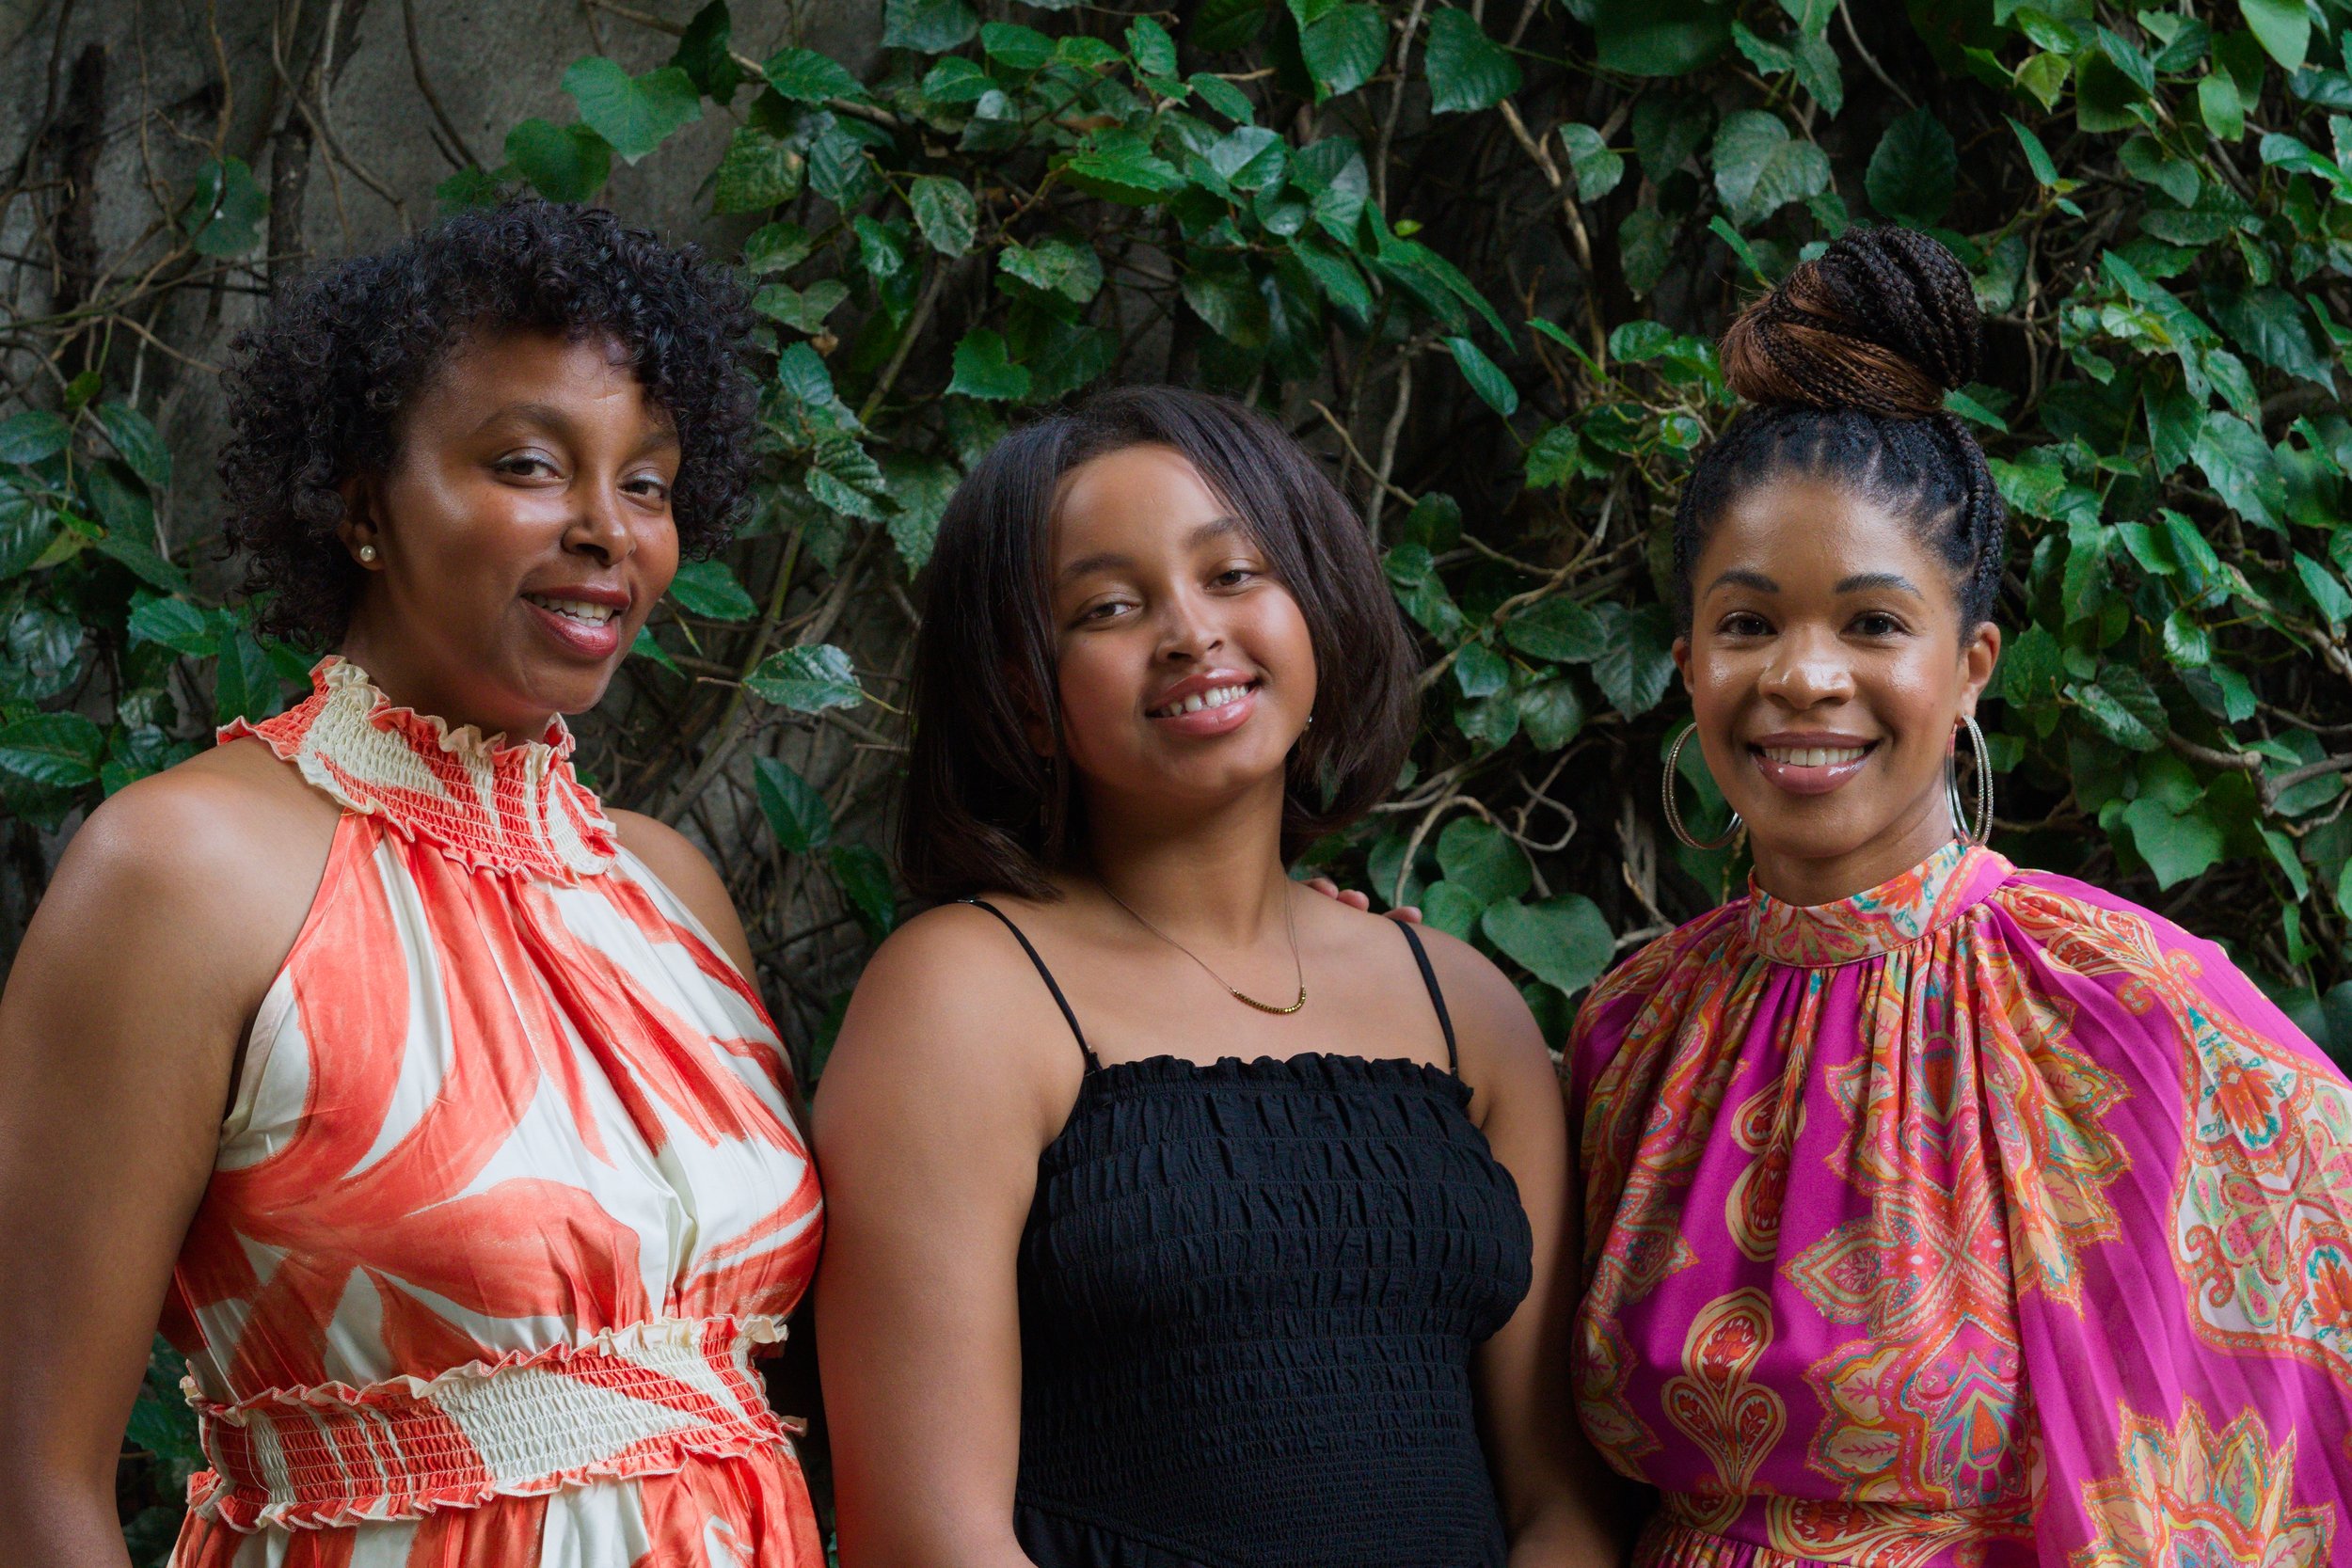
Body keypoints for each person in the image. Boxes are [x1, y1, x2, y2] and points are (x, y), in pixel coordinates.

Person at [0, 198, 825, 1567]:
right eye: (527, 464)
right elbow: (31, 1484)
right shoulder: (185, 871)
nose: (605, 528)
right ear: (360, 502)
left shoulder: (670, 889)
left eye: (648, 481)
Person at [1565, 225, 2352, 1565]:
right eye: (1748, 622)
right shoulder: (1634, 1027)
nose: (1805, 677)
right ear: (1689, 656)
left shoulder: (2125, 1006)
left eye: (1874, 623)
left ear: (1972, 663)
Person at [812, 387, 1619, 1567]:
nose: (1191, 630)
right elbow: (925, 1536)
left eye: (1234, 574)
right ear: (1027, 697)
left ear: (1319, 608)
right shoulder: (964, 994)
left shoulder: (1466, 1008)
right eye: (1109, 606)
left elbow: (1564, 1500)